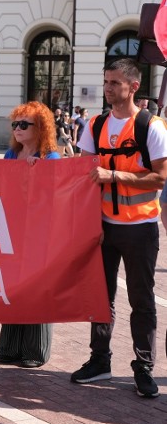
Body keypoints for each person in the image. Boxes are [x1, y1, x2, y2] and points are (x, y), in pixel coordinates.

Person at [72, 58, 167, 398]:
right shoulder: (95, 125)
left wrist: (114, 175)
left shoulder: (150, 126)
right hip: (101, 227)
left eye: (114, 83)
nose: (107, 88)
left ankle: (143, 368)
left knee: (142, 300)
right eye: (106, 82)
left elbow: (160, 177)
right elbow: (80, 173)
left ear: (133, 87)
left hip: (140, 228)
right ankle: (100, 361)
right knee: (101, 297)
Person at [0, 101, 60, 368]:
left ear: (41, 127)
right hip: (12, 228)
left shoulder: (51, 158)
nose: (18, 129)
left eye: (24, 124)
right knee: (13, 286)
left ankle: (35, 349)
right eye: (15, 124)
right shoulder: (11, 155)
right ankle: (10, 346)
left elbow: (57, 197)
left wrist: (40, 176)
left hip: (39, 232)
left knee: (36, 287)